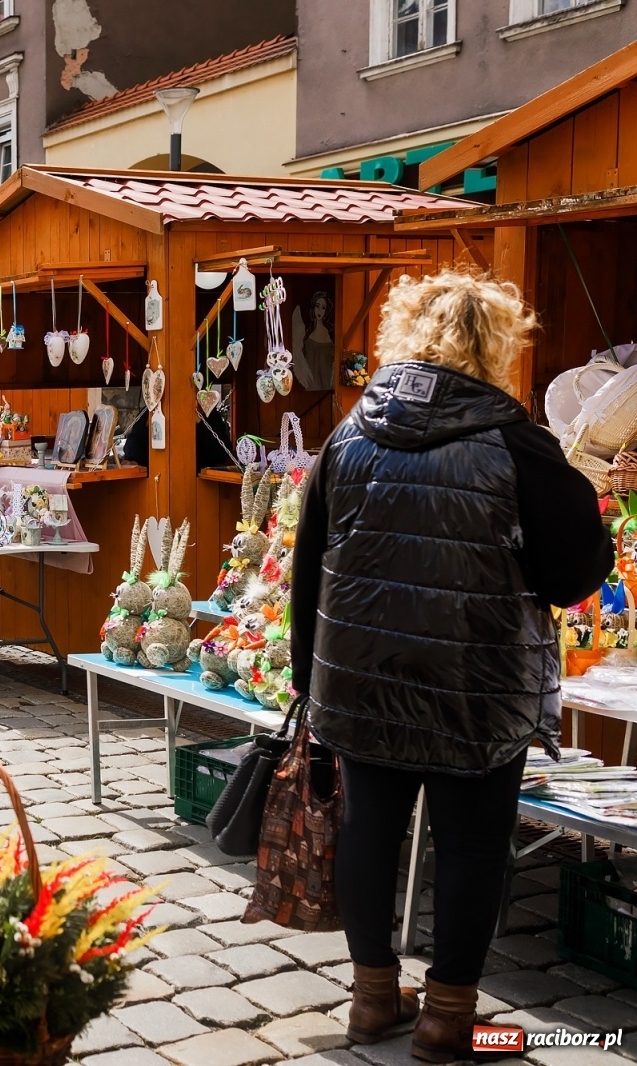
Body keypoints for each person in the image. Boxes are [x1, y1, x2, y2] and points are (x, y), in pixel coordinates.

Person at [289, 271, 613, 1063]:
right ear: (497, 345)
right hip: (479, 689)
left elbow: (308, 568)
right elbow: (577, 574)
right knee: (471, 846)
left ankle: (371, 1001)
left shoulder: (351, 433)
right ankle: (447, 1018)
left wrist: (311, 682)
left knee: (370, 833)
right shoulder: (517, 442)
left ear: (406, 334)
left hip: (362, 682)